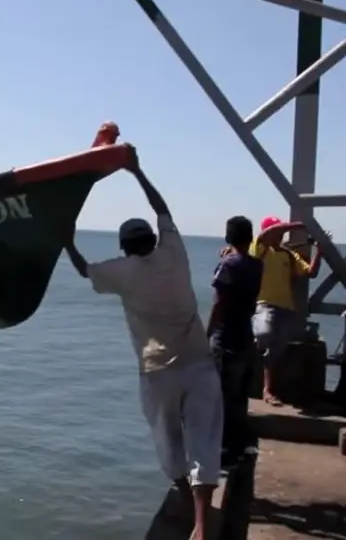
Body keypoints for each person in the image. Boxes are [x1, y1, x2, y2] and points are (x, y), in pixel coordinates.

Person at [63, 145, 221, 540]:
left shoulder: (124, 272)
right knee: (204, 438)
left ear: (124, 249)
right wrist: (136, 172)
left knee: (168, 440)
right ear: (154, 238)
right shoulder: (175, 252)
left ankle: (183, 496)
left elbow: (84, 271)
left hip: (157, 371)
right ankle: (202, 525)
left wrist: (65, 240)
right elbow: (162, 208)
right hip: (200, 362)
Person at [207, 216, 264, 468]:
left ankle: (225, 450)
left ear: (228, 236)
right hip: (245, 335)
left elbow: (219, 303)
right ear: (250, 238)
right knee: (239, 396)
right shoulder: (257, 265)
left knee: (221, 395)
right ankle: (240, 446)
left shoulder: (227, 265)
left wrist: (206, 334)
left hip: (226, 337)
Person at [249, 216, 323, 405]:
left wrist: (319, 250)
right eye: (278, 231)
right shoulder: (259, 248)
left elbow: (310, 272)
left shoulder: (289, 254)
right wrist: (296, 225)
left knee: (277, 351)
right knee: (265, 334)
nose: (281, 234)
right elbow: (265, 235)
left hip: (286, 308)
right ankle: (252, 349)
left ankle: (268, 390)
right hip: (264, 304)